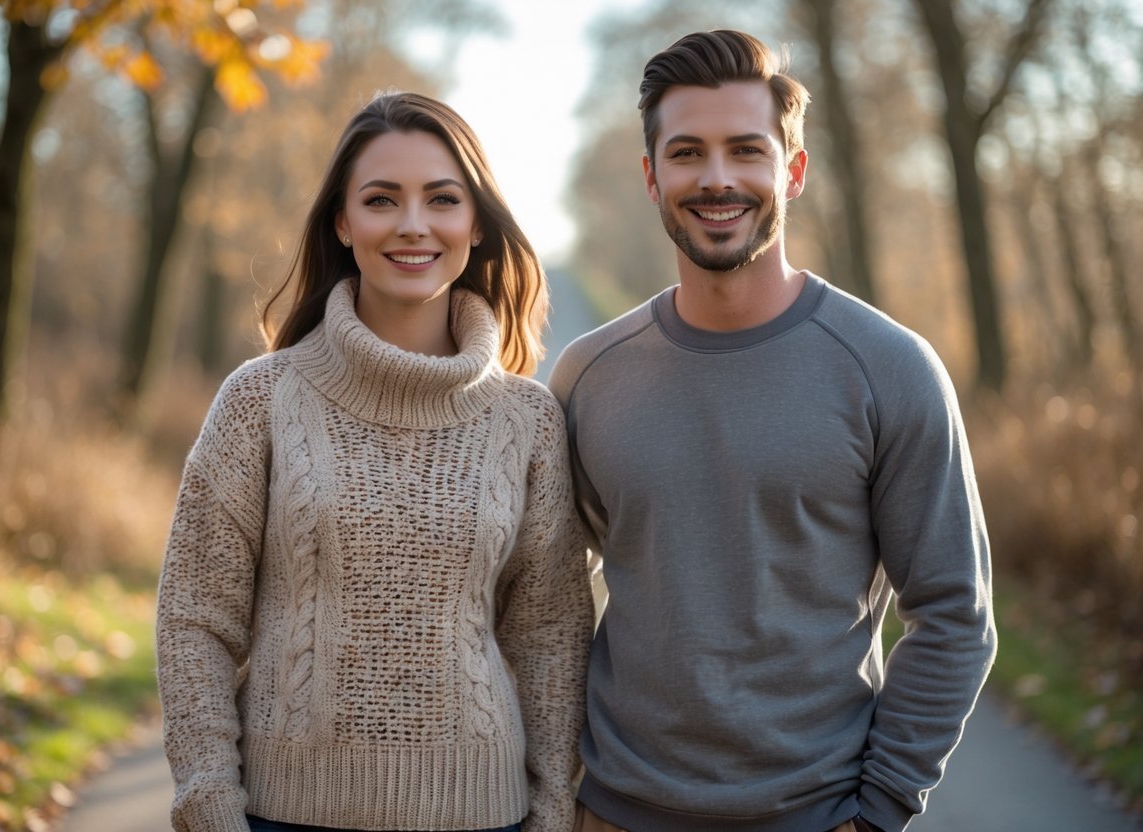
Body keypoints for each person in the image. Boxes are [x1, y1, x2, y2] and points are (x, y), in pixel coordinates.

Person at [548, 29, 996, 832]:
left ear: (791, 169)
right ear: (651, 177)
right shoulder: (589, 374)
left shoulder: (887, 368)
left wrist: (880, 805)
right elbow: (545, 600)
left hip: (818, 816)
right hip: (613, 813)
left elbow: (953, 609)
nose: (716, 178)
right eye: (686, 153)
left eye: (744, 150)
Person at [156, 91, 594, 832]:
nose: (412, 224)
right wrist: (210, 810)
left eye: (441, 199)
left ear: (476, 224)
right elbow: (194, 621)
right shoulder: (260, 399)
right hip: (280, 817)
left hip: (483, 818)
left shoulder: (528, 420)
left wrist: (553, 810)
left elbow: (551, 635)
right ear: (342, 220)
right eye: (381, 199)